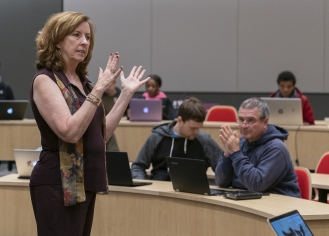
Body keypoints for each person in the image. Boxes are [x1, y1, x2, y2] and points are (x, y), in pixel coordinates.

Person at [30, 11, 150, 236]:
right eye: (76, 35)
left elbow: (99, 135)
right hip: (57, 183)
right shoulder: (46, 80)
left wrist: (125, 94)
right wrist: (99, 89)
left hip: (85, 182)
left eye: (87, 37)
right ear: (57, 41)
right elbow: (69, 132)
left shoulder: (83, 83)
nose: (84, 42)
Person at [215, 97, 301, 197]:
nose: (244, 125)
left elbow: (256, 185)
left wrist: (235, 153)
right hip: (250, 200)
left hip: (281, 206)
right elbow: (221, 182)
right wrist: (227, 154)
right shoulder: (240, 143)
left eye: (251, 120)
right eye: (241, 119)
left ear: (265, 122)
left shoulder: (276, 148)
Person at [131, 97, 222, 180]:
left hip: (193, 192)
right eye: (192, 128)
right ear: (179, 120)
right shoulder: (157, 137)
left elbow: (222, 170)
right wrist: (143, 186)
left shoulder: (205, 141)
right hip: (159, 189)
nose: (196, 132)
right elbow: (138, 167)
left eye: (199, 128)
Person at [102, 80, 120, 151]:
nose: (108, 87)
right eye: (106, 85)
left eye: (110, 85)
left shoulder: (120, 96)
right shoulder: (100, 97)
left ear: (115, 83)